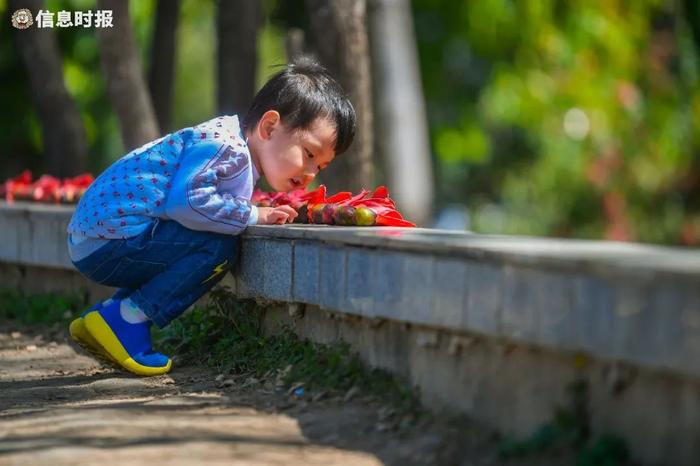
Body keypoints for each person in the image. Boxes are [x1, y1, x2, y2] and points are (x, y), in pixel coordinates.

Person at [66, 57, 356, 376]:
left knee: (208, 235)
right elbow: (186, 202)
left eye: (321, 166)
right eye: (310, 154)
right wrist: (251, 215)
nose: (311, 172)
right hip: (109, 242)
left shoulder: (226, 142)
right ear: (269, 127)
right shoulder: (228, 149)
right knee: (218, 248)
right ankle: (128, 319)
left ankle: (107, 316)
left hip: (96, 238)